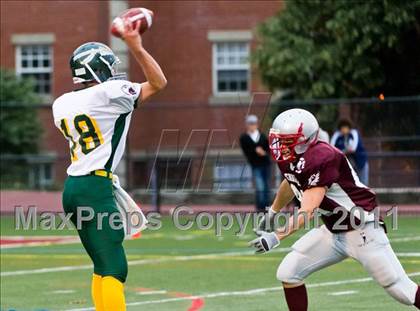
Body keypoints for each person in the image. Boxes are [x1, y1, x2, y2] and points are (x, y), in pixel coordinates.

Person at [249, 109, 420, 310]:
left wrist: (276, 237)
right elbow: (291, 181)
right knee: (288, 272)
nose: (279, 146)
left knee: (401, 290)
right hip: (333, 231)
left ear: (305, 140)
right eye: (278, 139)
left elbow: (308, 209)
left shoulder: (323, 157)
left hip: (362, 230)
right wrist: (273, 211)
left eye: (286, 141)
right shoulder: (293, 156)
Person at [52, 21, 166, 311]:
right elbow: (158, 83)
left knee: (101, 264)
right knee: (115, 266)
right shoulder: (110, 93)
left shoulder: (62, 103)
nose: (114, 72)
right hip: (95, 187)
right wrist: (136, 46)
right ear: (97, 69)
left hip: (74, 188)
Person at [239, 115, 271, 212]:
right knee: (260, 185)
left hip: (265, 163)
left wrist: (263, 152)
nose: (252, 126)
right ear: (247, 125)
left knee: (266, 185)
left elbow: (268, 149)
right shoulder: (244, 137)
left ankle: (266, 206)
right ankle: (260, 207)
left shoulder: (262, 136)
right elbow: (246, 151)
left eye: (254, 124)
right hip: (255, 164)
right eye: (250, 124)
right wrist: (255, 151)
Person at [331, 119, 369, 185]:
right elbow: (331, 148)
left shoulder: (354, 134)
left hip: (360, 161)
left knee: (363, 184)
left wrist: (343, 151)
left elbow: (353, 148)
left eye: (345, 127)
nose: (344, 130)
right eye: (342, 128)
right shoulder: (339, 136)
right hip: (349, 164)